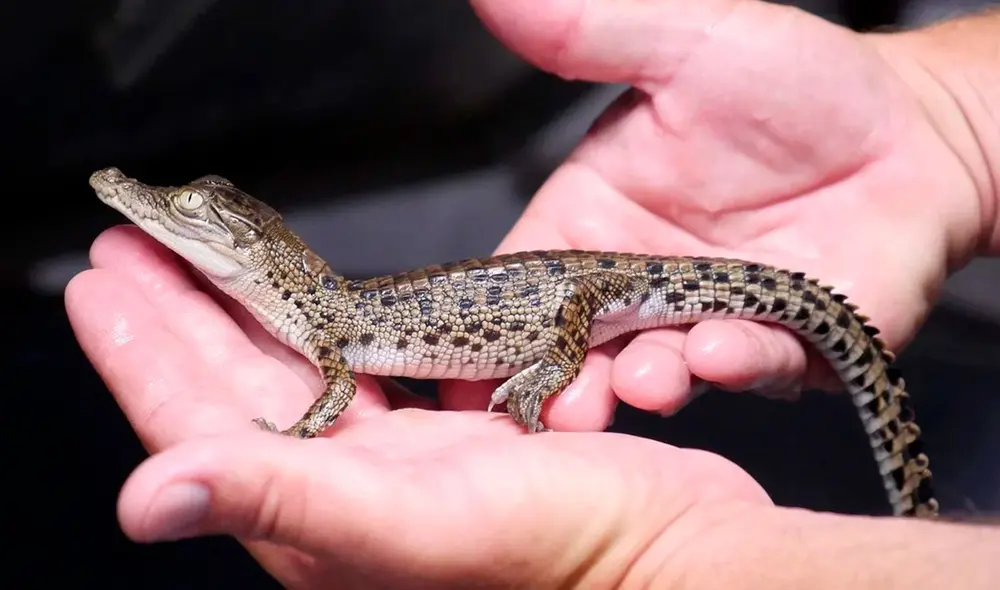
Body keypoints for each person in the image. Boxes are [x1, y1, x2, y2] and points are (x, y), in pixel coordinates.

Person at [66, 1, 1000, 587]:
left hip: (585, 294)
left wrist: (304, 431)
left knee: (571, 334)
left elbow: (339, 390)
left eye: (190, 212)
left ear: (246, 247)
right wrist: (947, 115)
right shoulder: (324, 314)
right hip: (571, 285)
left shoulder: (327, 332)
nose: (158, 210)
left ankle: (556, 357)